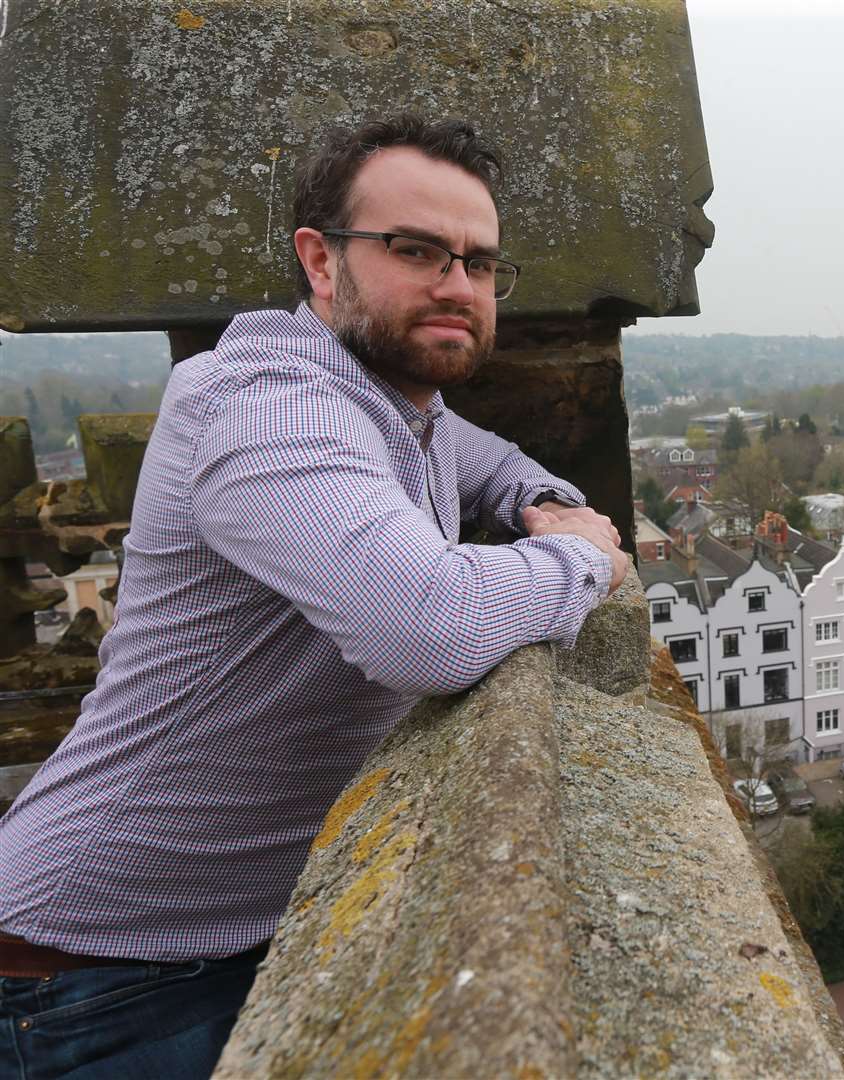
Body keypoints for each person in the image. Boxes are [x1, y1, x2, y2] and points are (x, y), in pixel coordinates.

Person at [0, 114, 628, 1080]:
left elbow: (485, 459)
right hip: (95, 978)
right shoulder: (268, 409)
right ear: (322, 263)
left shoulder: (388, 405)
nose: (458, 285)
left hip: (210, 942)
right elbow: (427, 627)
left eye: (480, 262)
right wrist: (583, 559)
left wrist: (538, 502)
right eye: (416, 250)